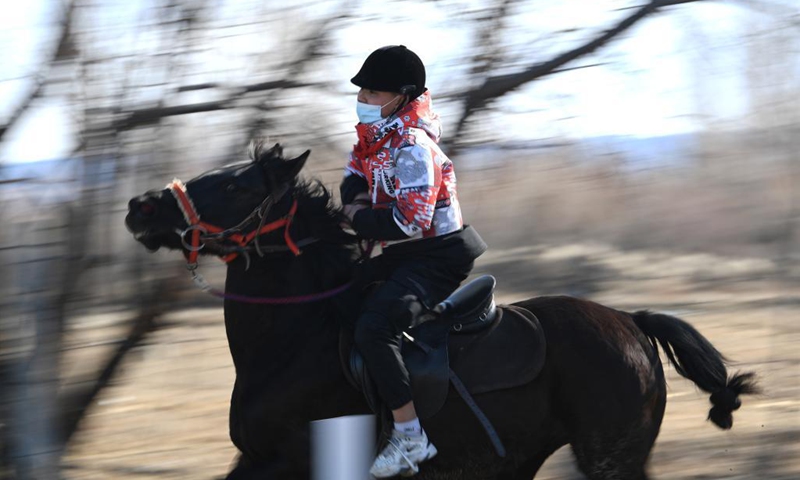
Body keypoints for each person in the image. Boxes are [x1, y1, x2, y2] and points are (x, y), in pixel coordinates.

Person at [340, 45, 487, 478]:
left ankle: (410, 436)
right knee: (340, 298)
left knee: (374, 326)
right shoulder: (374, 139)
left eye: (371, 92)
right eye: (362, 91)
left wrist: (358, 216)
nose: (362, 99)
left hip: (438, 258)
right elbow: (351, 177)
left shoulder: (413, 146)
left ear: (401, 96)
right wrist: (358, 205)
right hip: (406, 253)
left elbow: (410, 221)